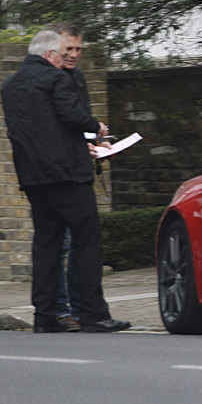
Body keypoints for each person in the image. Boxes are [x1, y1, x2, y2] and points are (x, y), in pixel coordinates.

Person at [1, 30, 130, 333]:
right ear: (48, 55)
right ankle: (93, 314)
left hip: (33, 178)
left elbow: (41, 127)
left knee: (46, 245)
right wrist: (97, 127)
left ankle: (45, 316)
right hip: (68, 175)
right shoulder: (56, 79)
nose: (65, 60)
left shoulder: (10, 85)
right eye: (61, 54)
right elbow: (74, 116)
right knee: (87, 242)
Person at [48, 22, 95, 333]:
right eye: (69, 49)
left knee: (80, 244)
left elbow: (83, 120)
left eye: (79, 49)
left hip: (80, 170)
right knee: (60, 244)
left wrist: (95, 143)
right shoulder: (47, 81)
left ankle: (79, 308)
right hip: (54, 174)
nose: (74, 55)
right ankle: (61, 310)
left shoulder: (76, 78)